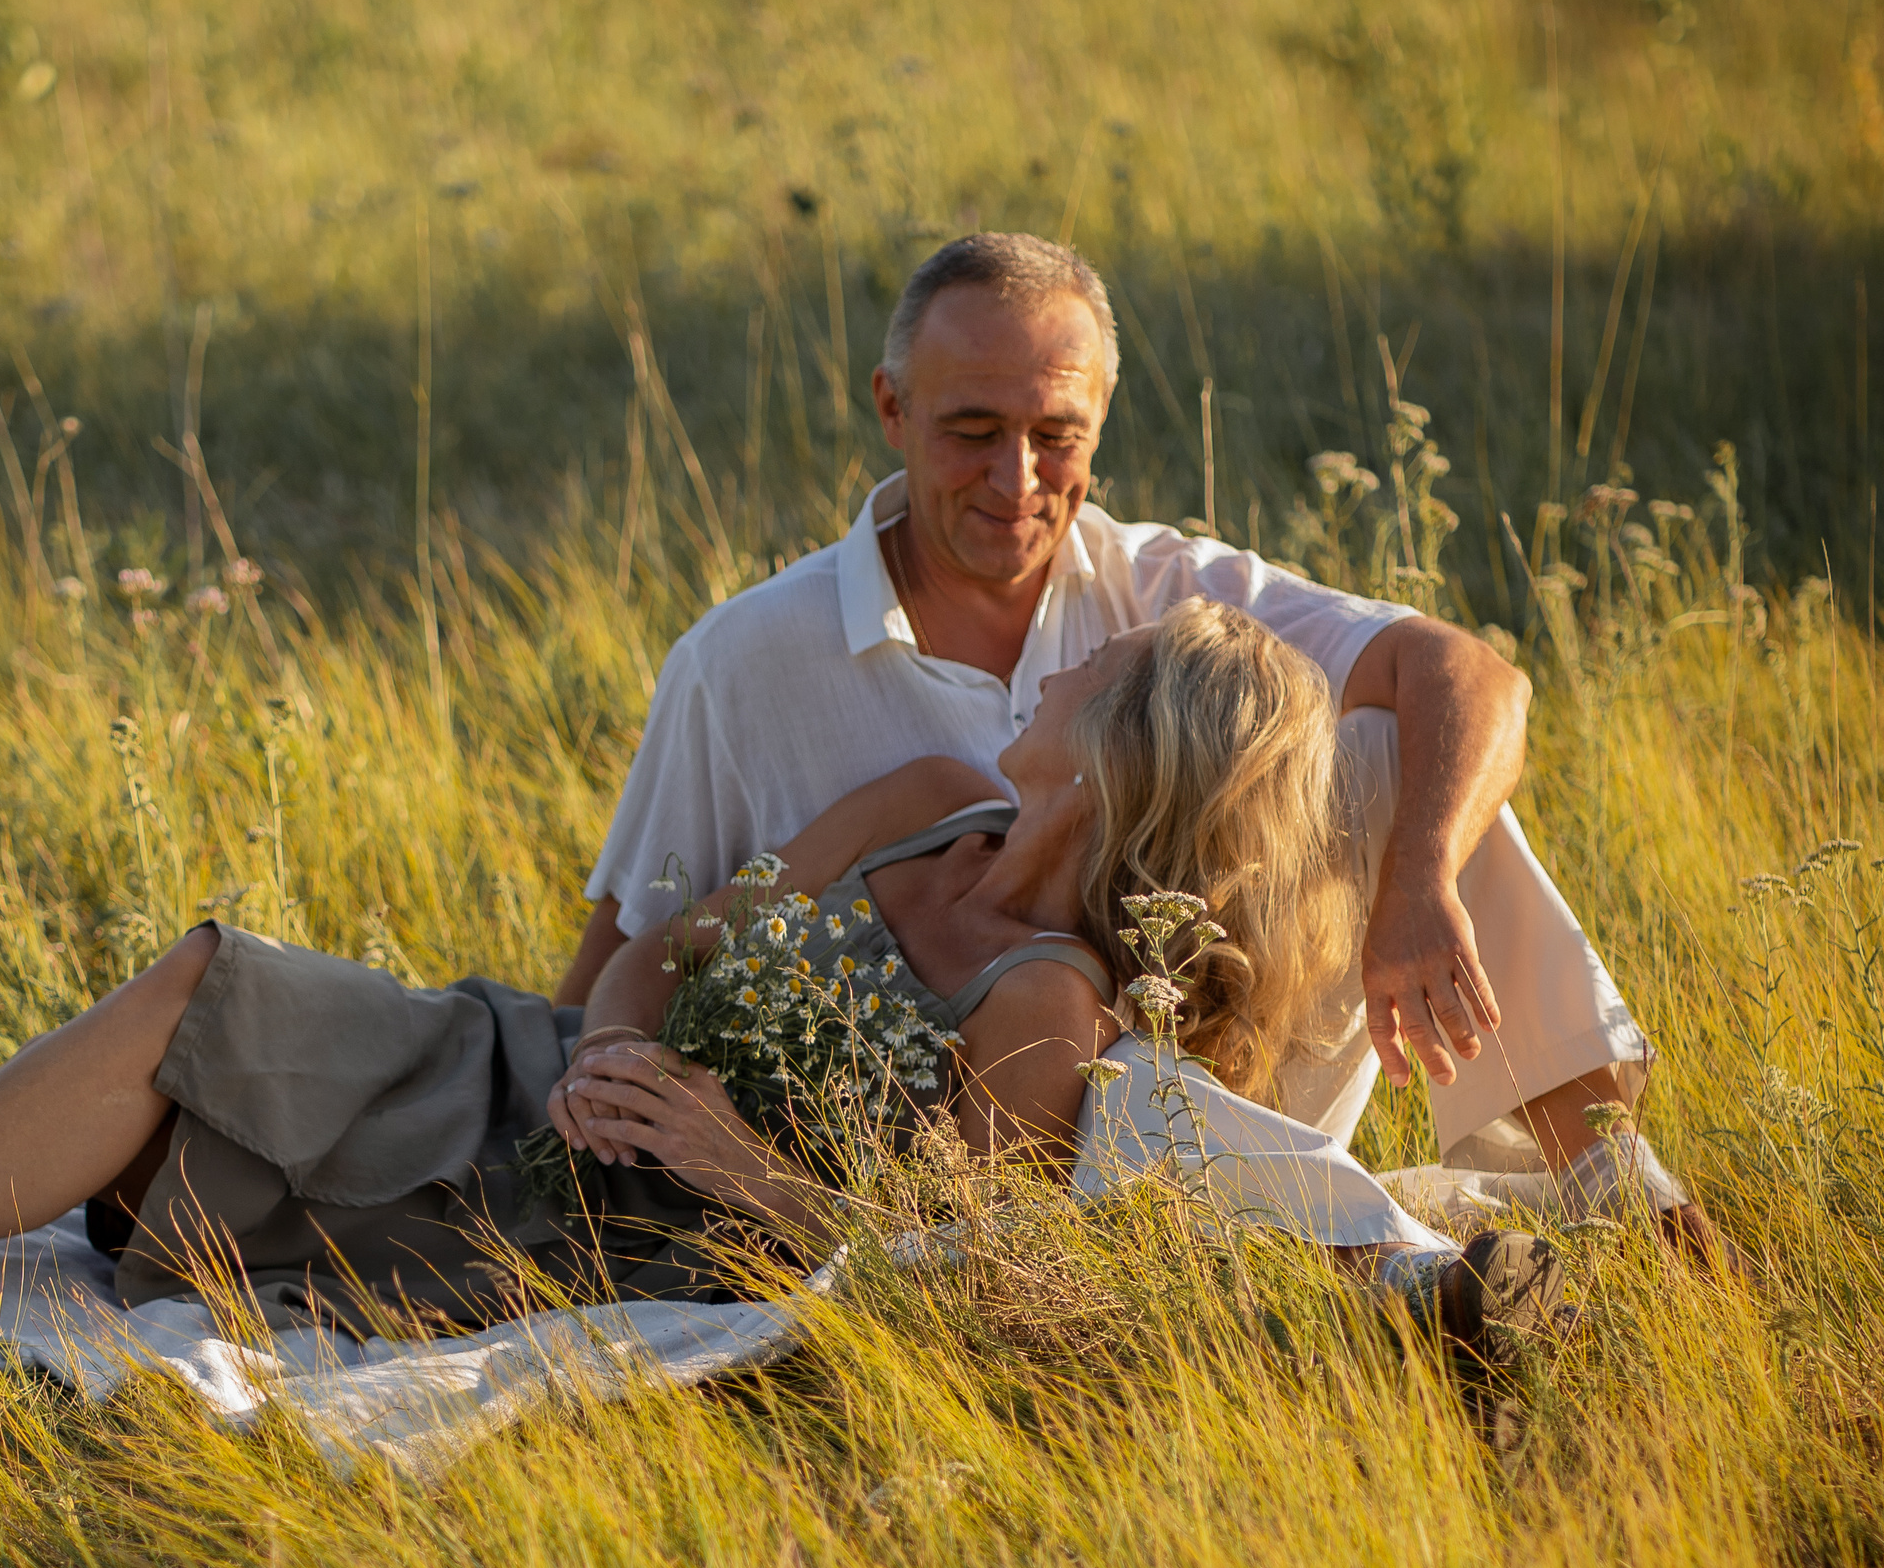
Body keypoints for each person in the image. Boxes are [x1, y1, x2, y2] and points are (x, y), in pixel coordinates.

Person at [0, 602, 1562, 1361]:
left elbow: (947, 1277)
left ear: (1134, 748)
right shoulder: (910, 794)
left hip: (627, 1216)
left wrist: (706, 1144)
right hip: (538, 1074)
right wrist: (616, 1036)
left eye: (1086, 668)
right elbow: (681, 939)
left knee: (200, 1015)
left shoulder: (1046, 1014)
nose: (1045, 654)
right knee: (182, 1041)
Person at [560, 232, 1724, 1260]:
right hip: (925, 1131)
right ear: (892, 408)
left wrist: (1416, 880)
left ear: (1098, 426)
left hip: (1178, 1088)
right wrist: (587, 1082)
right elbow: (636, 930)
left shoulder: (1165, 593)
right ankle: (1391, 1244)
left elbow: (1472, 673)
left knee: (1396, 751)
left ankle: (1614, 1181)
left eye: (1054, 436)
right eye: (972, 430)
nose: (1017, 481)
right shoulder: (743, 662)